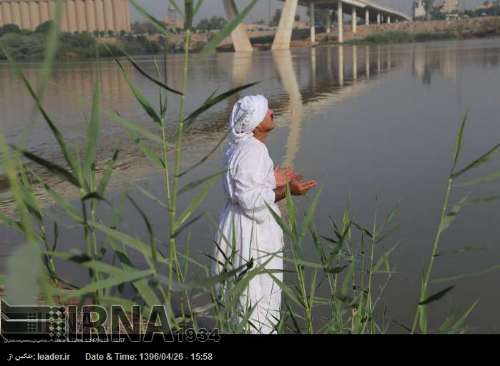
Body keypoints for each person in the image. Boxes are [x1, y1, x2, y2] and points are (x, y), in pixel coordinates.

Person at [212, 95, 317, 334]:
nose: (271, 111)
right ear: (255, 122)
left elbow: (246, 188)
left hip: (234, 223)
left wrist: (273, 179)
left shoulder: (238, 148)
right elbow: (251, 201)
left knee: (242, 296)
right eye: (265, 109)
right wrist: (288, 190)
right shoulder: (254, 151)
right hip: (252, 233)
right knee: (258, 296)